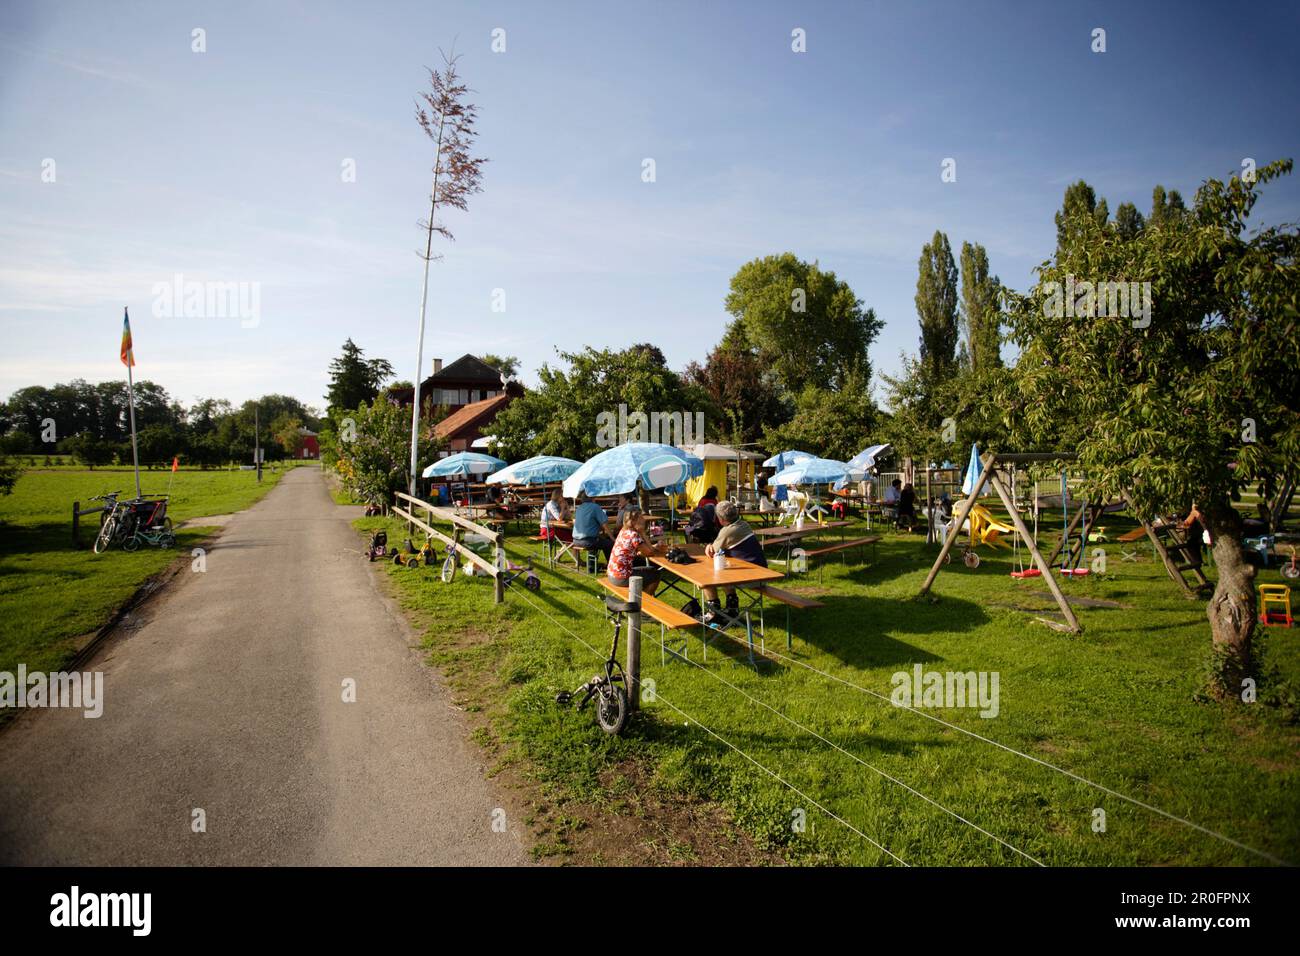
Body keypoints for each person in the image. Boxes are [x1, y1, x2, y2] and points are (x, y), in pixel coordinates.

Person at [701, 500, 766, 624]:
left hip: (752, 578)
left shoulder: (727, 531)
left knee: (706, 577)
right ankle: (732, 609)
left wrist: (709, 545)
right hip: (762, 572)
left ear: (720, 519)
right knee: (725, 570)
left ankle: (714, 612)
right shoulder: (743, 524)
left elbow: (712, 552)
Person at [607, 507, 664, 595]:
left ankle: (640, 596)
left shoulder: (624, 530)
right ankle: (644, 601)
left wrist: (653, 546)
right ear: (634, 521)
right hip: (621, 577)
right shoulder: (634, 535)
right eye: (641, 518)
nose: (643, 520)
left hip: (612, 574)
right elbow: (650, 553)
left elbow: (638, 549)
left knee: (648, 571)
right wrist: (643, 533)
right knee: (655, 574)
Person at [571, 492, 613, 562]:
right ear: (592, 498)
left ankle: (592, 567)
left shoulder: (579, 508)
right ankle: (611, 566)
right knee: (609, 544)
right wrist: (613, 538)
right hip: (588, 541)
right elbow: (605, 524)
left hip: (575, 541)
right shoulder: (595, 507)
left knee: (598, 540)